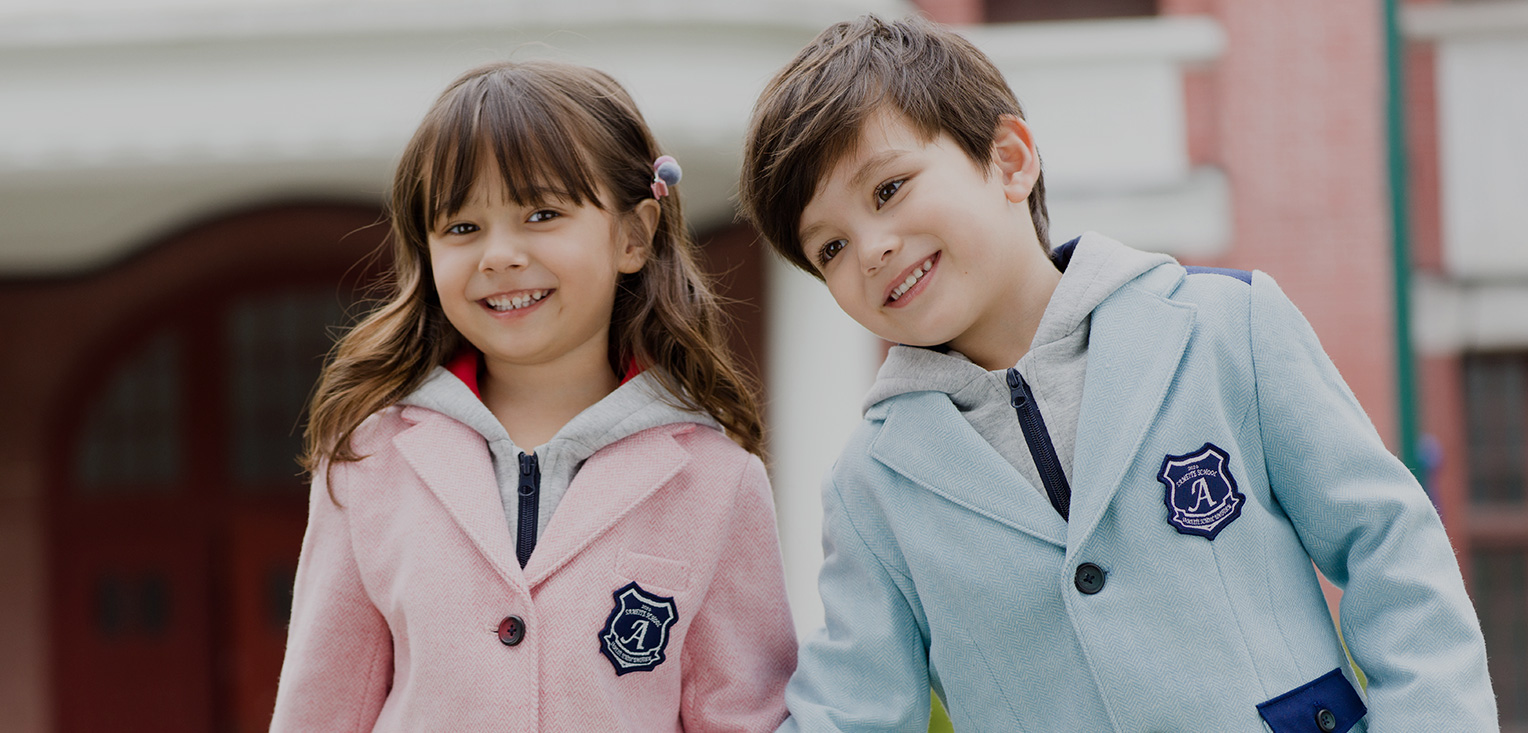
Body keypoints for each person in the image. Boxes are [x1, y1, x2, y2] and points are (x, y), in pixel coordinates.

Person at [737, 15, 1496, 733]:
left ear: (1009, 160)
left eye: (888, 189)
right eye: (829, 247)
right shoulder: (872, 484)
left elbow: (1391, 548)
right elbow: (850, 709)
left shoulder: (1227, 325)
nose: (870, 247)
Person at [271, 59, 796, 731]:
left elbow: (744, 718)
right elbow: (320, 710)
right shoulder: (369, 460)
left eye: (541, 213)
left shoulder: (719, 482)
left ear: (633, 235)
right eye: (462, 228)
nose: (498, 255)